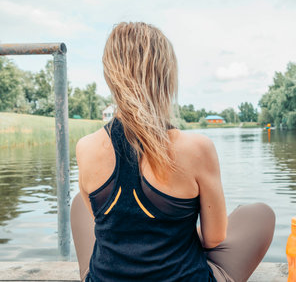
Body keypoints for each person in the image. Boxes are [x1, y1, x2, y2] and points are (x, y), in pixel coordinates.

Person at [71, 22, 275, 282]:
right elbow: (214, 239)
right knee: (259, 214)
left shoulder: (85, 147)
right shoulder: (197, 148)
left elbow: (104, 225)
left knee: (80, 202)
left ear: (111, 75)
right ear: (166, 76)